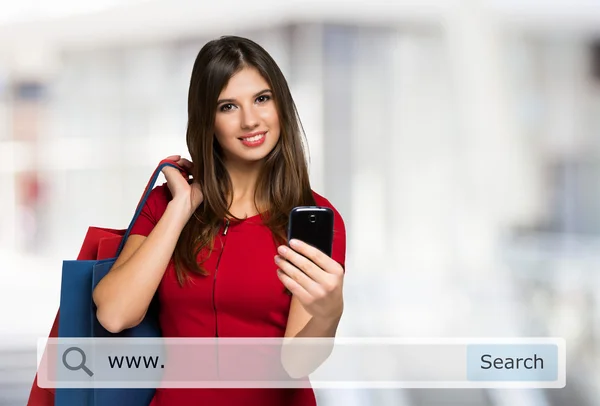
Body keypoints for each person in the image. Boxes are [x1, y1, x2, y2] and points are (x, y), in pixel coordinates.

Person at [92, 35, 346, 405]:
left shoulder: (311, 218)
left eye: (262, 98)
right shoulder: (167, 205)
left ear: (281, 105)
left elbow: (297, 362)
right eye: (228, 106)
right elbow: (115, 315)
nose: (249, 120)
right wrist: (182, 209)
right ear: (207, 120)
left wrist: (329, 313)